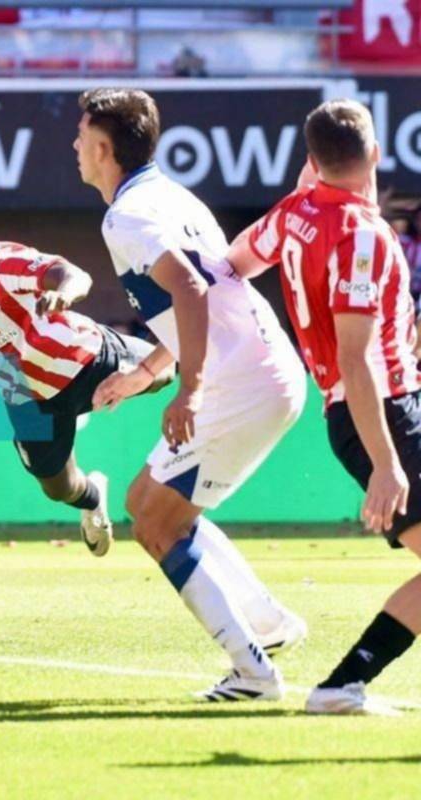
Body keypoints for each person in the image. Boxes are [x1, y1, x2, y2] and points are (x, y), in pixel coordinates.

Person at [75, 88, 307, 701]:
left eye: (81, 136)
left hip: (238, 382)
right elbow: (204, 298)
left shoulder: (126, 216)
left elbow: (193, 291)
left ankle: (254, 673)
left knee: (156, 523)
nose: (74, 146)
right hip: (265, 366)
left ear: (103, 149)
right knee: (148, 502)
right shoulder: (172, 196)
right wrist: (146, 372)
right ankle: (267, 623)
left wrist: (191, 389)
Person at [227, 99, 421, 715]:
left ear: (311, 161)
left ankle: (343, 685)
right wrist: (386, 464)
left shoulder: (294, 214)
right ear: (377, 154)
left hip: (368, 410)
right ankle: (340, 686)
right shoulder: (363, 237)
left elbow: (234, 264)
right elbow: (355, 358)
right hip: (384, 411)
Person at [0, 200, 171, 555]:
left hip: (83, 360)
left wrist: (63, 294)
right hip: (27, 399)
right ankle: (94, 500)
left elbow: (73, 275)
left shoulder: (0, 264)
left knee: (167, 367)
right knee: (58, 489)